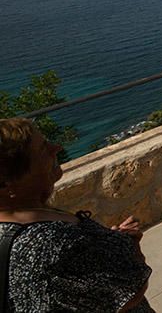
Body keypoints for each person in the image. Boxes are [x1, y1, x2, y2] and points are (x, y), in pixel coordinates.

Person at [0, 118, 153, 312]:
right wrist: (131, 246)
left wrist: (106, 244)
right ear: (6, 183)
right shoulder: (48, 242)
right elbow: (130, 292)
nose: (56, 148)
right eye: (43, 149)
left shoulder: (22, 223)